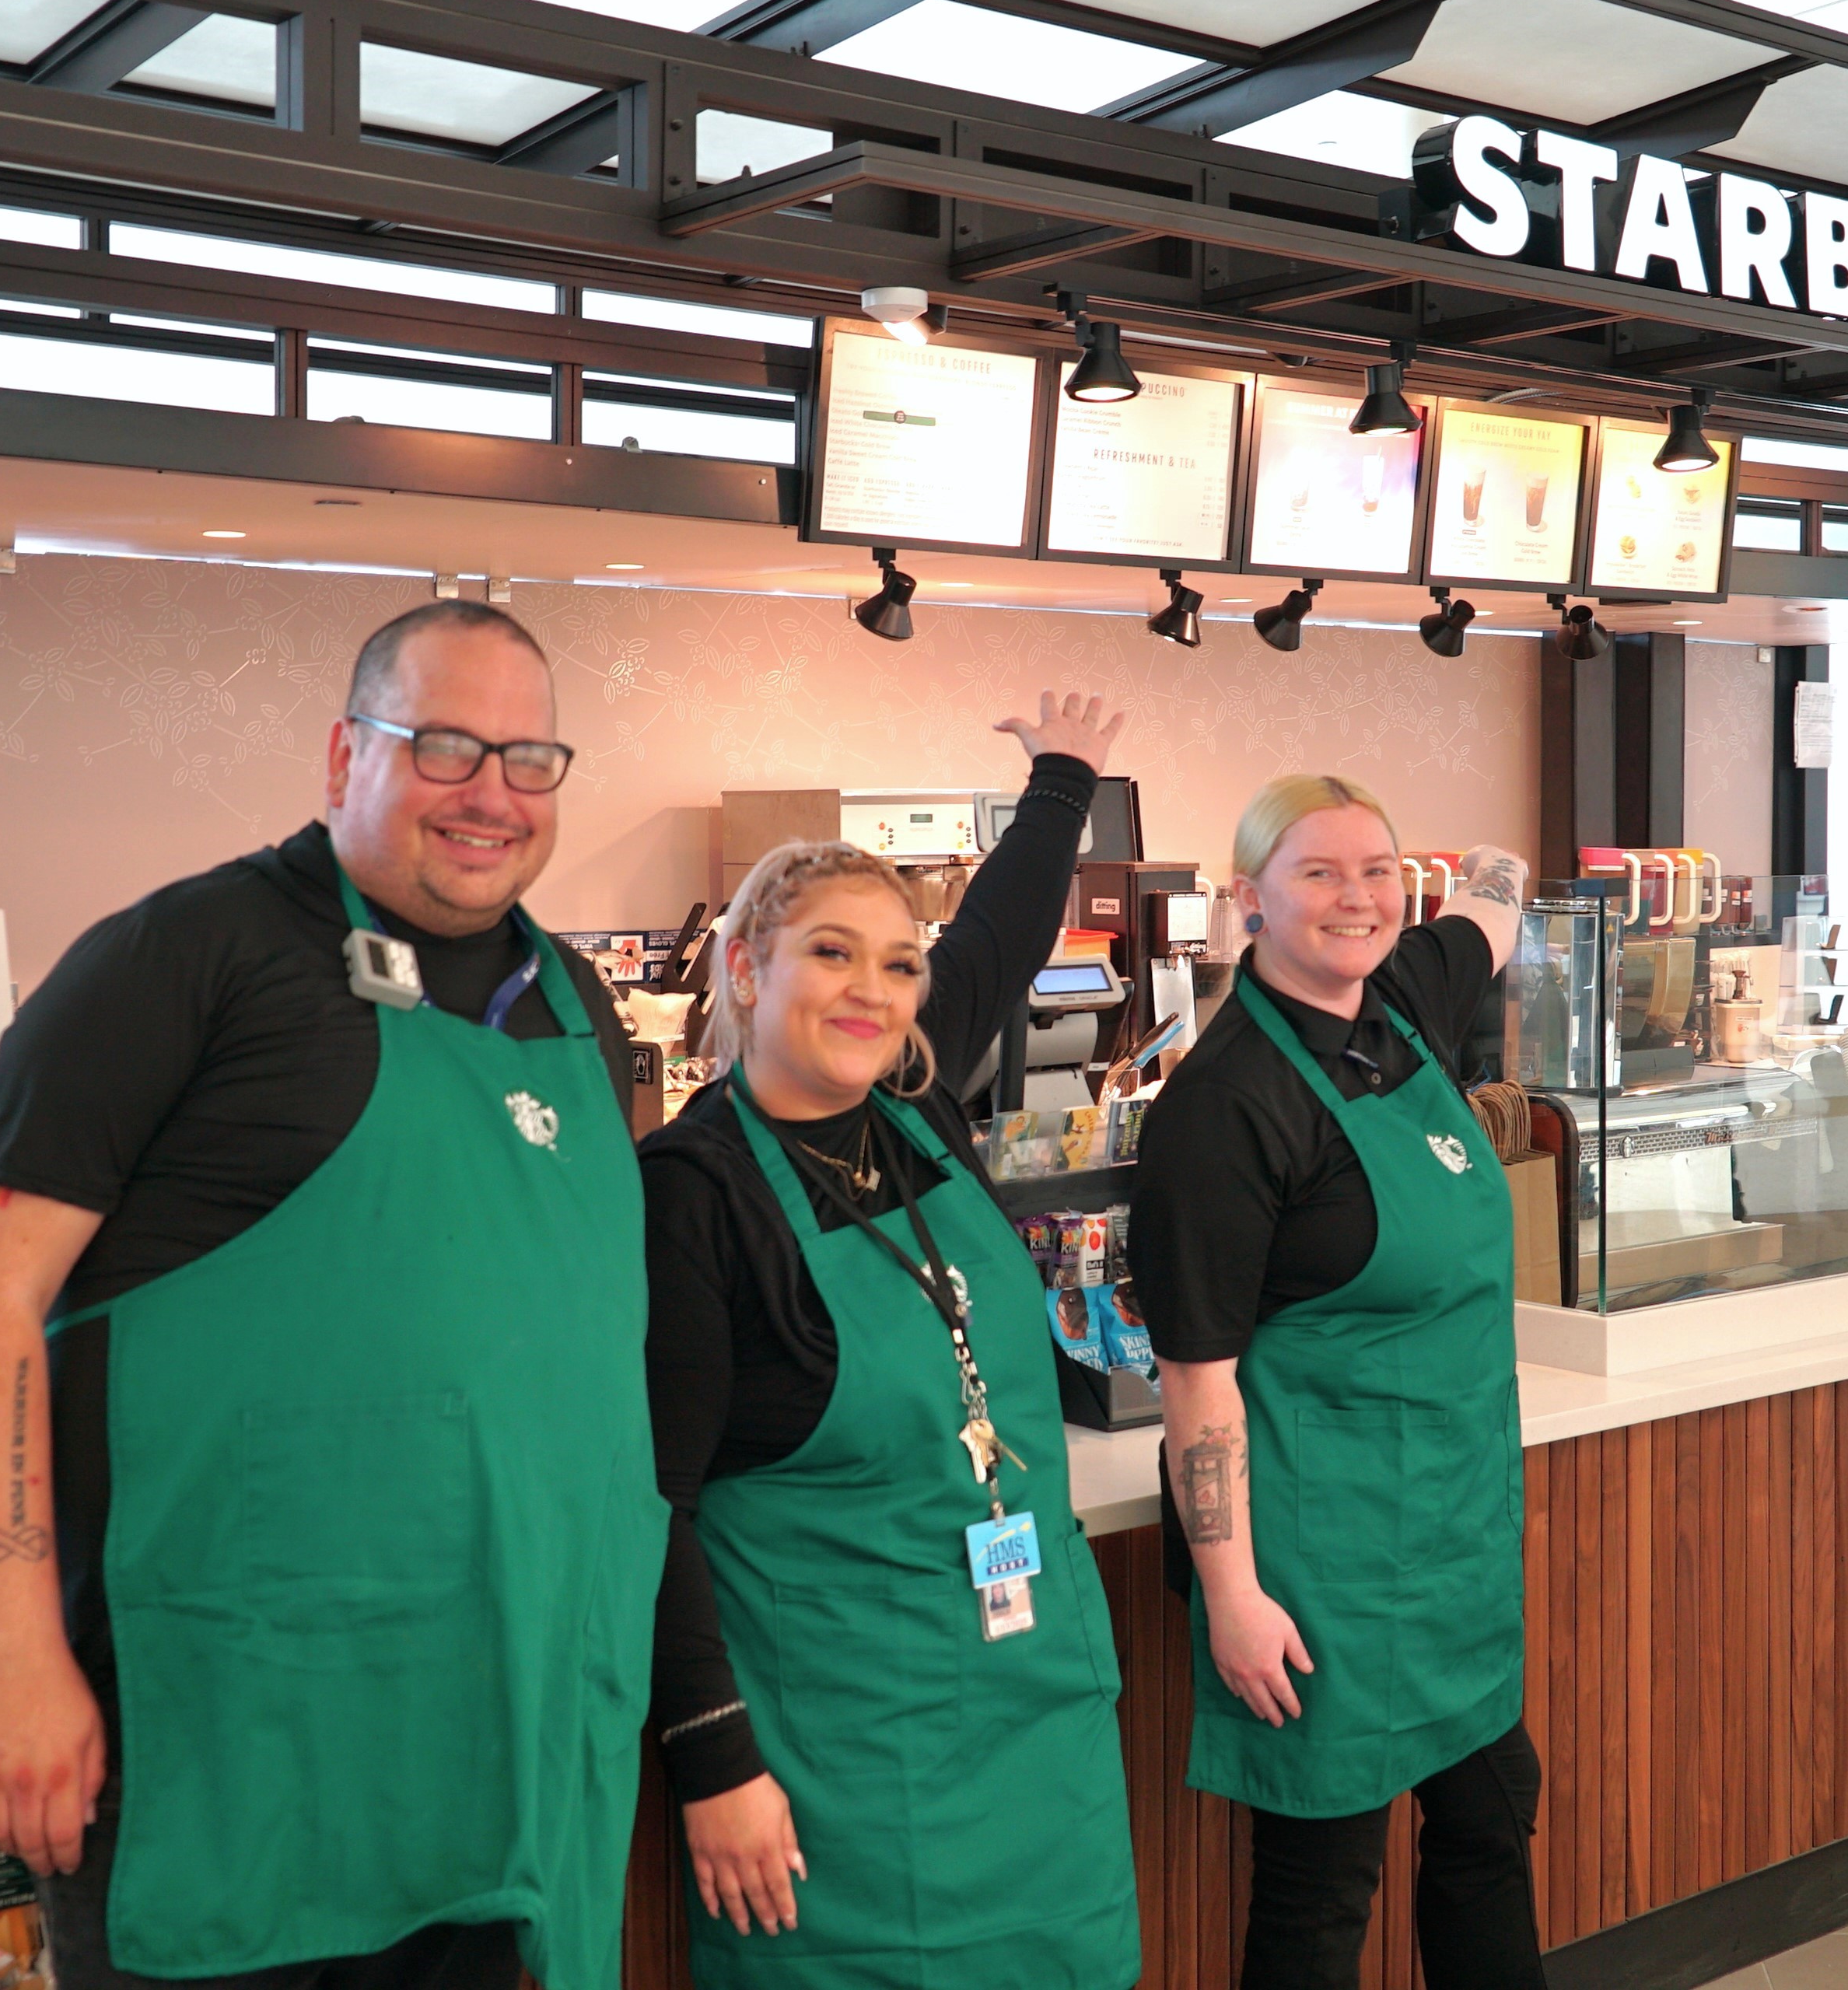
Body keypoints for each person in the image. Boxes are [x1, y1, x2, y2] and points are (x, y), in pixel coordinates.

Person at [0, 600, 662, 1990]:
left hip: (512, 1737)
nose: (490, 794)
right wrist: (12, 1648)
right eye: (444, 746)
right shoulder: (178, 961)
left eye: (528, 757)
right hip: (241, 1740)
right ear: (343, 757)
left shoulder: (569, 1000)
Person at [641, 692, 1140, 1990]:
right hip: (840, 1765)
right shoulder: (689, 1194)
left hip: (1035, 1728)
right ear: (747, 966)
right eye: (829, 954)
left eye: (897, 962)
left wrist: (1063, 777)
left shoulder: (917, 1107)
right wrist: (713, 1756)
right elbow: (648, 1509)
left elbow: (1003, 931)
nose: (871, 991)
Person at [1125, 777, 1535, 1990]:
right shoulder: (1224, 1105)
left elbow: (1497, 900)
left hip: (1453, 1541)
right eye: (1317, 872)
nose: (1355, 897)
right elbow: (1195, 1384)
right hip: (1318, 1563)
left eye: (1377, 870)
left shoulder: (1403, 998)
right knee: (1321, 1893)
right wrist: (1233, 1595)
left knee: (1490, 1823)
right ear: (1248, 898)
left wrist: (1496, 869)